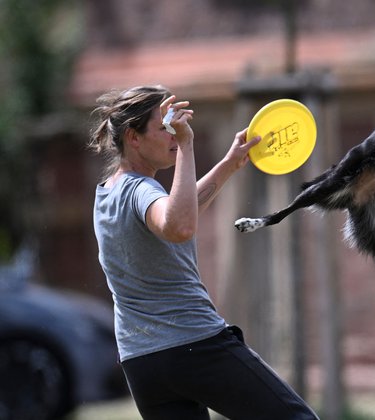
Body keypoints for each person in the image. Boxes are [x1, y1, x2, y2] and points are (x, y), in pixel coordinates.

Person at [89, 85, 318, 420]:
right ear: (133, 137)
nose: (172, 135)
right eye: (164, 128)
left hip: (142, 362)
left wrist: (229, 163)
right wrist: (186, 144)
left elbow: (174, 214)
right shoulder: (142, 189)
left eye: (175, 129)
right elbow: (178, 226)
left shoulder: (107, 194)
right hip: (193, 346)